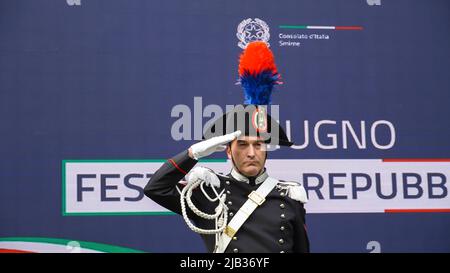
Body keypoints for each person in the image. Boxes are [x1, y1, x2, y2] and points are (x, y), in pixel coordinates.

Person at [144, 41, 310, 253]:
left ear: (266, 150)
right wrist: (193, 154)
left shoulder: (288, 196)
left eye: (258, 145)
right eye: (242, 145)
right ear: (228, 150)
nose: (251, 153)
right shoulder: (209, 192)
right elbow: (156, 188)